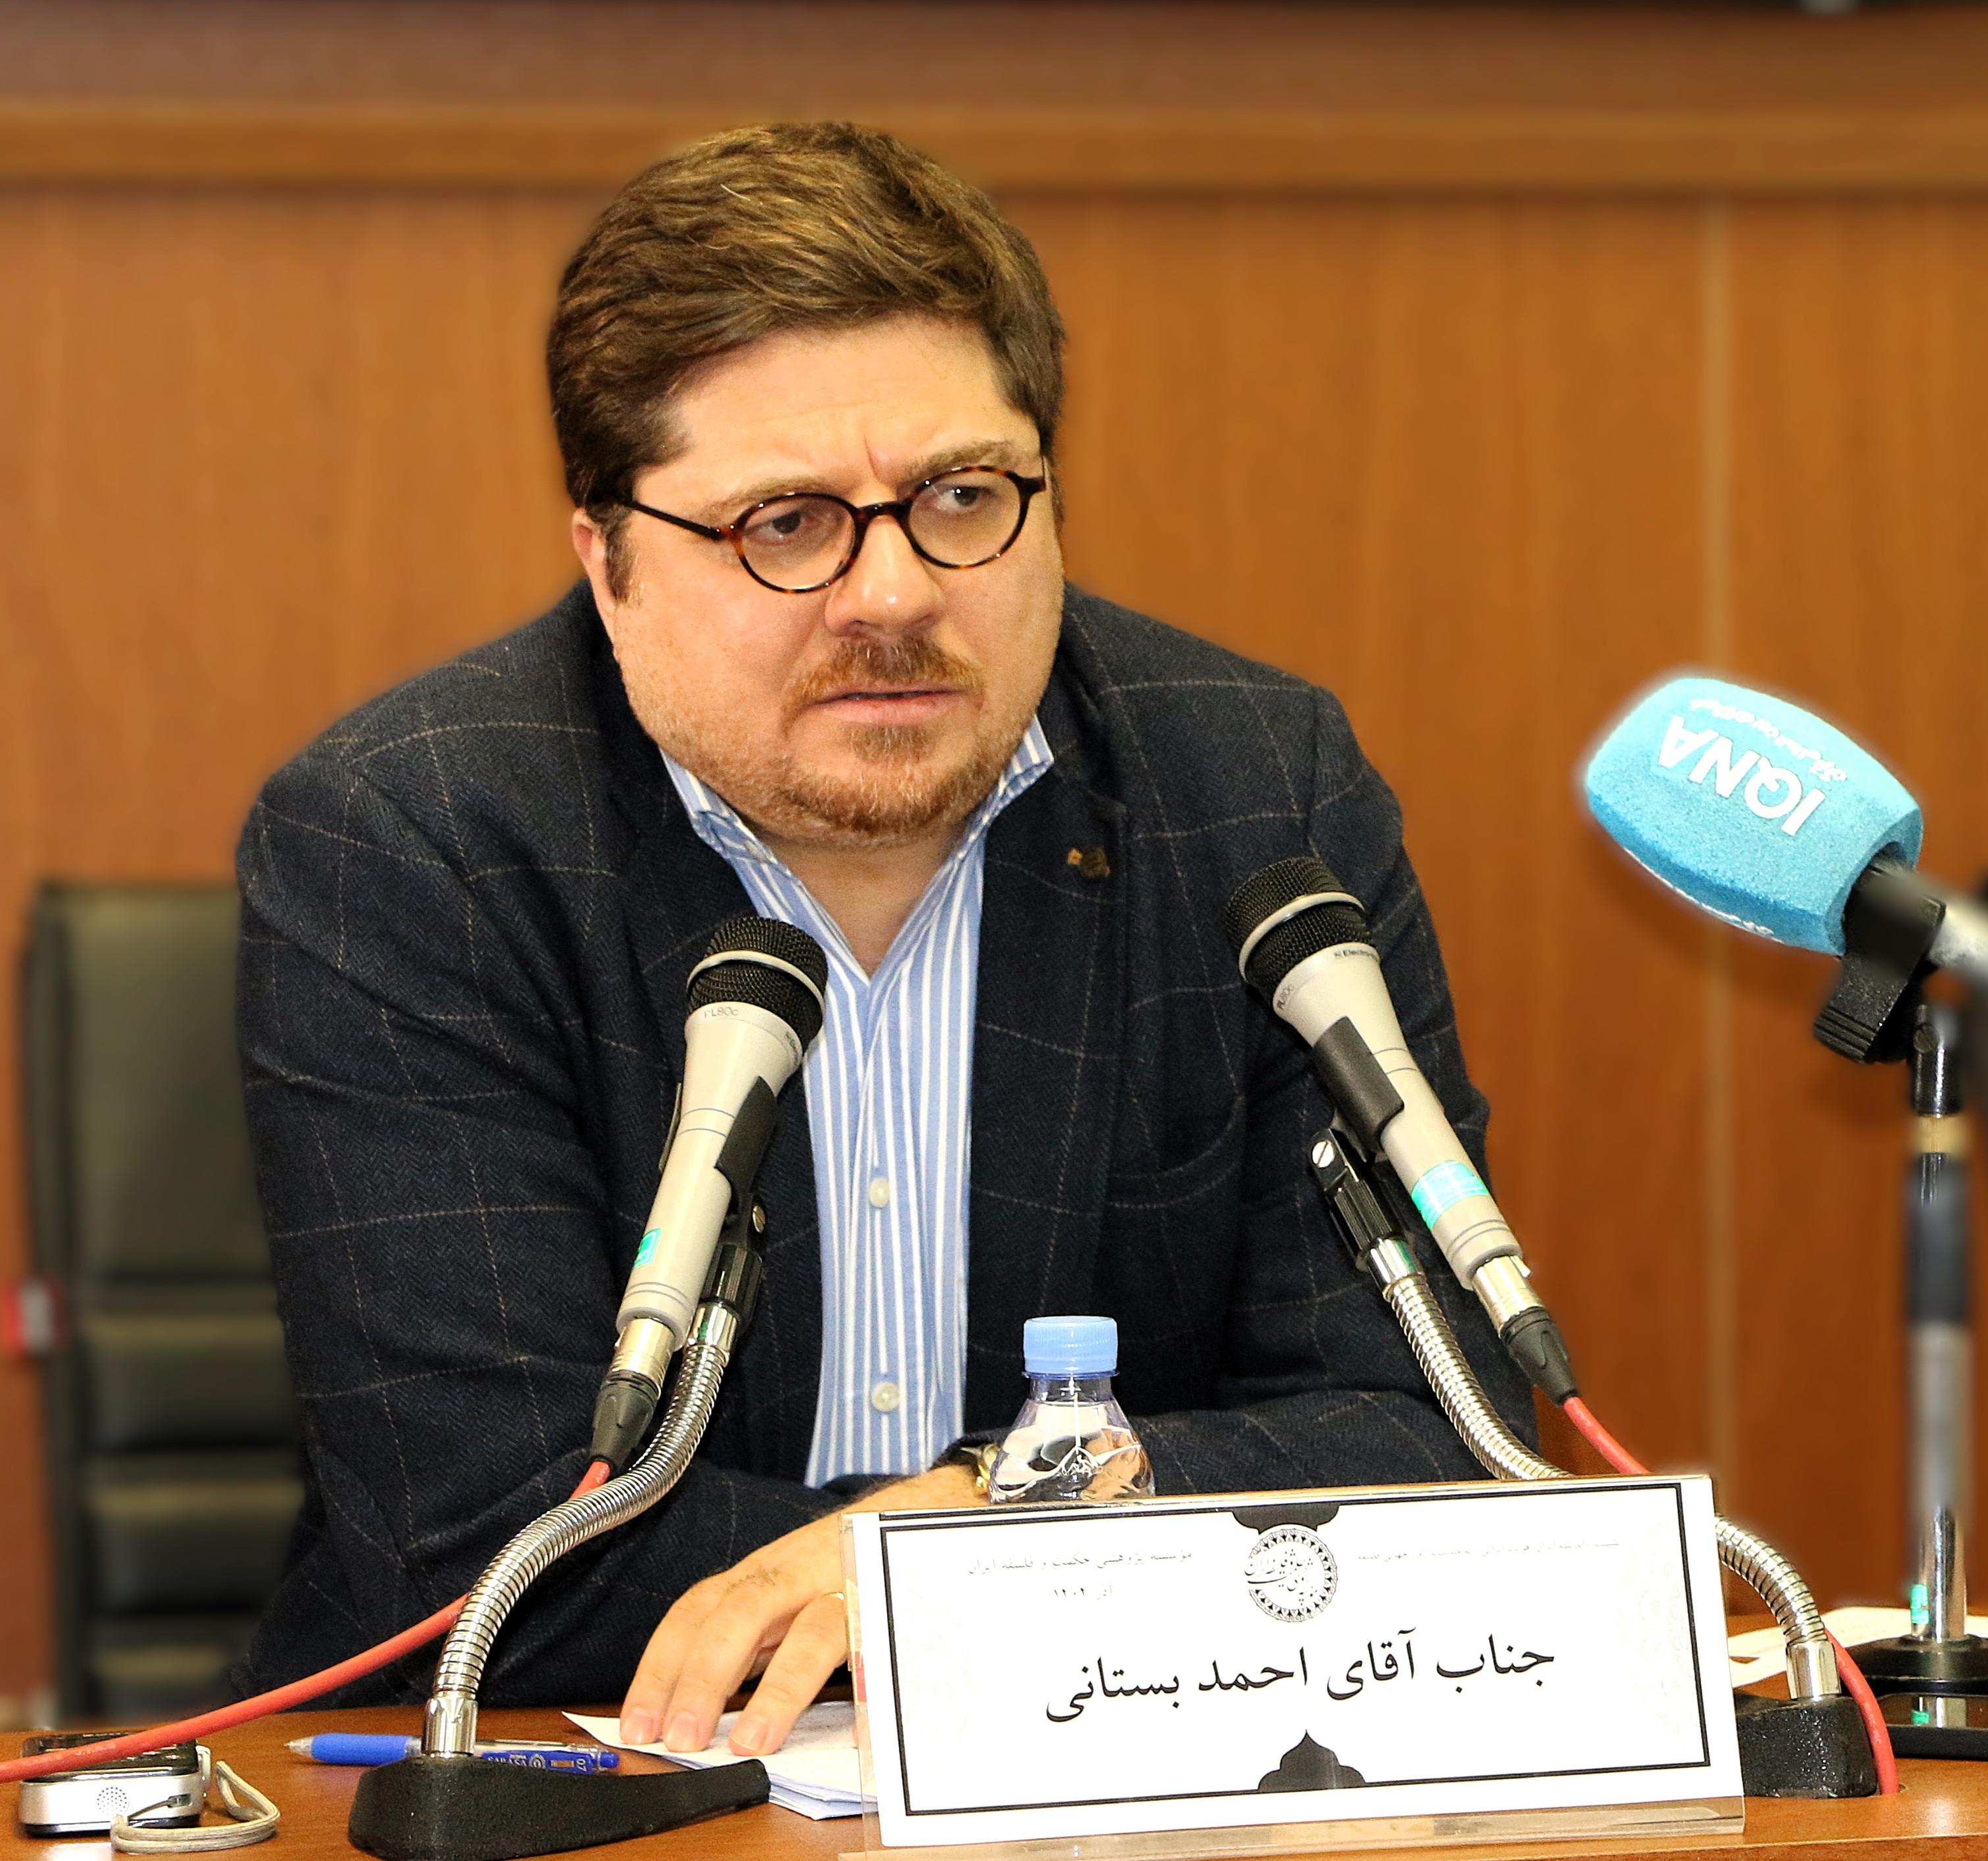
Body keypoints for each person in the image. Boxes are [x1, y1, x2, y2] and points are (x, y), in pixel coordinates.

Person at [230, 119, 1526, 1756]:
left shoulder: (1258, 797)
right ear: (608, 560)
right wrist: (1004, 1556)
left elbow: (1440, 1430)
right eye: (785, 523)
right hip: (574, 1776)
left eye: (963, 497)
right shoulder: (414, 841)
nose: (894, 594)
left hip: (1121, 1773)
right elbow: (496, 1548)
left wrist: (970, 1520)